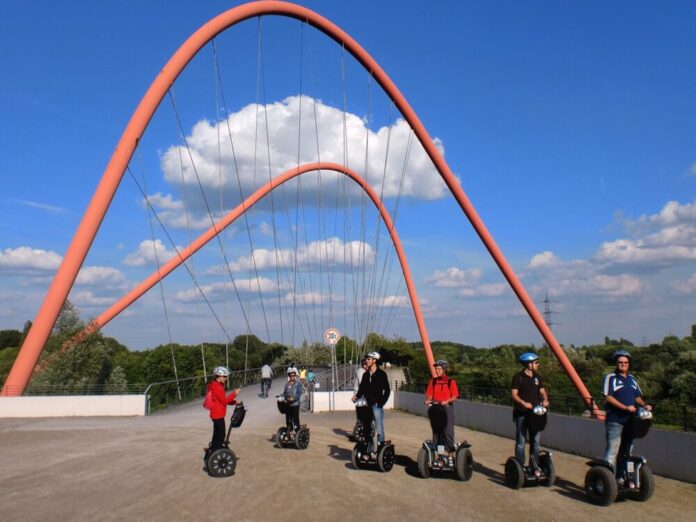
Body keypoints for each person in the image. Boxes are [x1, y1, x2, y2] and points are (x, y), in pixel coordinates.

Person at [602, 349, 652, 481]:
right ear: (616, 363)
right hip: (615, 419)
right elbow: (608, 397)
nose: (623, 364)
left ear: (629, 364)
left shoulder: (632, 379)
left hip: (631, 420)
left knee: (627, 450)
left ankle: (622, 476)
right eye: (620, 362)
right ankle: (608, 481)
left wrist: (644, 405)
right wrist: (625, 407)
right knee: (613, 449)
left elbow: (637, 397)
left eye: (625, 362)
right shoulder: (610, 378)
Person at [511, 352, 549, 468]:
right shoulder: (518, 377)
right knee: (521, 442)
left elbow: (542, 391)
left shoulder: (538, 377)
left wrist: (546, 400)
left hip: (535, 414)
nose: (538, 364)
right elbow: (514, 394)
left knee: (536, 442)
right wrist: (523, 403)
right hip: (522, 413)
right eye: (536, 362)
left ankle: (534, 465)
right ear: (529, 364)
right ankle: (520, 466)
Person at [353, 351, 390, 456]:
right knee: (367, 428)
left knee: (379, 428)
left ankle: (381, 449)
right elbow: (362, 389)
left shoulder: (381, 374)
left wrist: (381, 402)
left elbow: (387, 390)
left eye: (369, 359)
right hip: (367, 405)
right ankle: (370, 449)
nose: (367, 361)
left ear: (375, 360)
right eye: (366, 359)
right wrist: (356, 396)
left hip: (377, 405)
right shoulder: (365, 375)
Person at [424, 359, 459, 464]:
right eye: (436, 369)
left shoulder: (450, 382)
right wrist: (428, 400)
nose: (437, 370)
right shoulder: (433, 381)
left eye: (439, 369)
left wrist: (447, 401)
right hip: (436, 408)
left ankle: (450, 454)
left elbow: (455, 396)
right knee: (436, 433)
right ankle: (438, 455)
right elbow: (430, 395)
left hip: (447, 408)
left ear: (444, 369)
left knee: (448, 432)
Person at [206, 366, 241, 453]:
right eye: (224, 376)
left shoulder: (216, 385)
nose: (226, 378)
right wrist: (234, 393)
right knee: (221, 436)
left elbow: (221, 400)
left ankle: (213, 450)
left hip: (216, 414)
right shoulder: (217, 387)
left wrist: (234, 402)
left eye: (226, 376)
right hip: (218, 415)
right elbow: (224, 401)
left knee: (216, 435)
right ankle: (217, 452)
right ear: (218, 376)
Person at [283, 367, 303, 433]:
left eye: (294, 375)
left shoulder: (298, 384)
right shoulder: (287, 384)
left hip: (295, 404)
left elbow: (299, 393)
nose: (292, 376)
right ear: (289, 376)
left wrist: (293, 398)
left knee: (295, 419)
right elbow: (284, 393)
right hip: (288, 404)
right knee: (288, 418)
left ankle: (297, 431)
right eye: (291, 375)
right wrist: (282, 396)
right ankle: (289, 428)